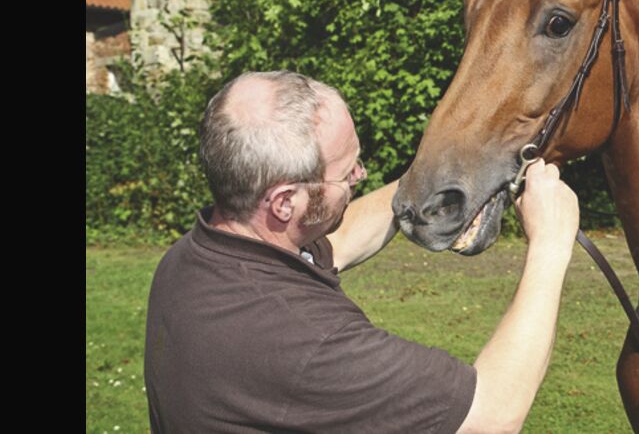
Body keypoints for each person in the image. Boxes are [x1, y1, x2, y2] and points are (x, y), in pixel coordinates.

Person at [144, 70, 580, 433]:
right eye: (345, 173)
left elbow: (340, 238)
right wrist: (550, 242)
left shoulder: (195, 259)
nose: (361, 174)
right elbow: (491, 414)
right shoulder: (306, 341)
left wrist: (441, 170)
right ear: (284, 202)